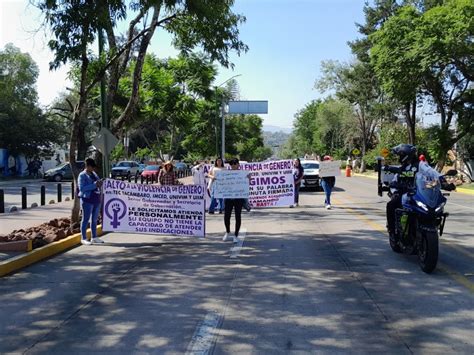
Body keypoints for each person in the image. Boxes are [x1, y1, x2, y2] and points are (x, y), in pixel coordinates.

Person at [385, 144, 455, 241]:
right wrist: (393, 187)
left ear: (405, 155)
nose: (399, 157)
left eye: (400, 155)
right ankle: (392, 231)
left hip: (418, 193)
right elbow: (395, 179)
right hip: (404, 193)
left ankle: (431, 225)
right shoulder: (402, 167)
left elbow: (431, 172)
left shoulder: (420, 164)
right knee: (391, 204)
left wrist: (442, 180)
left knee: (437, 206)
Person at [77, 158, 104, 245]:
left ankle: (94, 237)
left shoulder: (94, 174)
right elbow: (82, 188)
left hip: (96, 199)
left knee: (94, 219)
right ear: (87, 166)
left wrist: (100, 183)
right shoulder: (82, 175)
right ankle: (84, 238)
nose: (93, 169)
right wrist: (94, 185)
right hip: (87, 199)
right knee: (85, 219)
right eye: (92, 167)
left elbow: (97, 183)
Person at [222, 158, 249, 243]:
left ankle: (236, 235)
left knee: (238, 216)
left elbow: (249, 181)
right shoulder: (227, 173)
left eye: (234, 163)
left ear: (238, 164)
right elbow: (221, 182)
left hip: (239, 198)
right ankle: (227, 231)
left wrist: (248, 178)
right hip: (228, 197)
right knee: (227, 216)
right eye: (231, 164)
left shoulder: (243, 173)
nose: (233, 165)